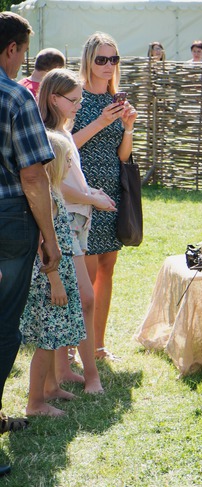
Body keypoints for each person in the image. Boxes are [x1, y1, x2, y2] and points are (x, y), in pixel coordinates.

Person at [0, 11, 61, 477]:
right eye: (21, 52)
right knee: (2, 327)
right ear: (12, 50)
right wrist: (50, 238)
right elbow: (33, 176)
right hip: (9, 224)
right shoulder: (15, 97)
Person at [39, 68, 115, 392]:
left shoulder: (64, 131)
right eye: (73, 100)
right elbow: (52, 187)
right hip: (61, 225)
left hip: (77, 223)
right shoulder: (46, 134)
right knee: (84, 297)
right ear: (54, 98)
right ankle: (92, 377)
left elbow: (72, 181)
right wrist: (90, 199)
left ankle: (62, 372)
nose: (78, 106)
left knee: (72, 298)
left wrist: (91, 194)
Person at [72, 31, 137, 361]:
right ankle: (72, 345)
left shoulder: (117, 100)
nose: (109, 65)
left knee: (107, 267)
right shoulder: (76, 97)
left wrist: (127, 128)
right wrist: (101, 122)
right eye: (102, 59)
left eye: (114, 59)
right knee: (88, 272)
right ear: (88, 60)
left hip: (111, 191)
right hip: (81, 191)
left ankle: (97, 344)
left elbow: (123, 157)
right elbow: (66, 147)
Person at [20, 132, 88, 417]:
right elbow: (42, 244)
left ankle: (50, 387)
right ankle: (35, 402)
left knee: (55, 334)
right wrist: (55, 282)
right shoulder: (45, 198)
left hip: (58, 274)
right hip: (51, 278)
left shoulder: (54, 193)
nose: (71, 164)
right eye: (68, 159)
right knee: (48, 340)